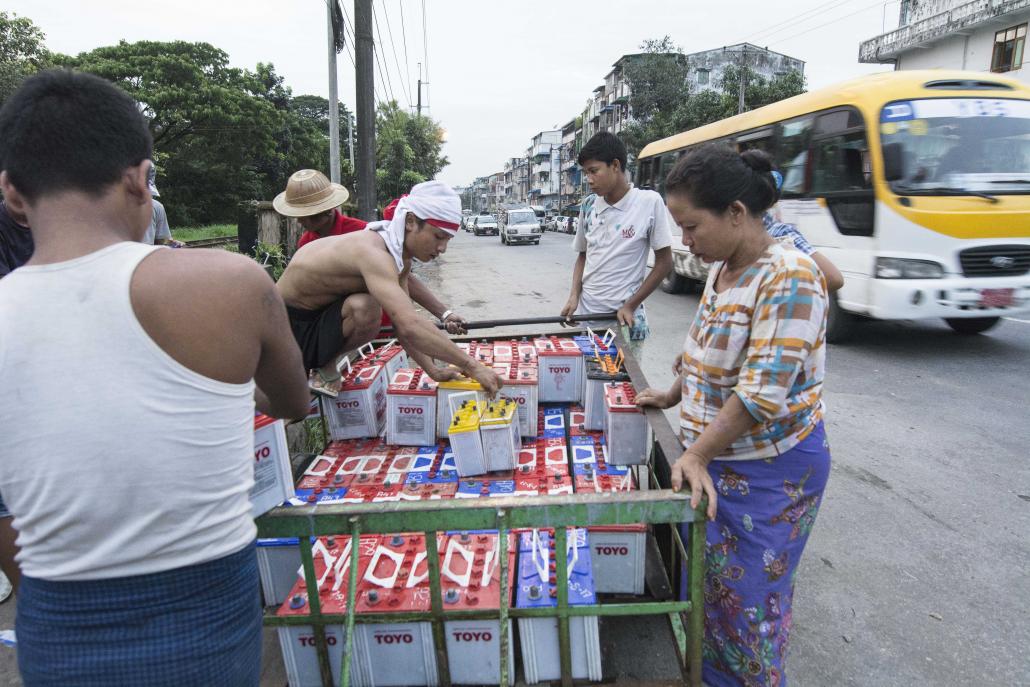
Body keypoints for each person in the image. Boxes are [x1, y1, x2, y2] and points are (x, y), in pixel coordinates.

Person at [0, 69, 310, 686]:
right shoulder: (230, 283)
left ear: (12, 194)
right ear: (141, 181)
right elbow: (294, 401)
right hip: (206, 616)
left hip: (56, 624)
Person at [635, 144, 830, 687]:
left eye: (691, 225)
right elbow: (703, 350)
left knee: (748, 607)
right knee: (711, 589)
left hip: (769, 470)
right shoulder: (724, 269)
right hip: (721, 459)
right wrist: (673, 394)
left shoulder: (789, 275)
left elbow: (762, 392)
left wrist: (696, 451)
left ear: (737, 213)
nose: (684, 240)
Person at [276, 179, 502, 397]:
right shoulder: (374, 253)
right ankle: (322, 366)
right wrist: (472, 366)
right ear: (411, 221)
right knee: (368, 308)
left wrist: (434, 371)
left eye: (448, 240)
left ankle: (322, 364)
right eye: (438, 237)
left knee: (369, 307)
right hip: (283, 326)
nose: (442, 248)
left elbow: (404, 324)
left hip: (314, 319)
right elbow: (410, 325)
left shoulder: (398, 256)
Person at [560, 132, 673, 342]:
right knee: (587, 373)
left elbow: (664, 263)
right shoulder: (588, 205)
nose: (589, 180)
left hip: (626, 321)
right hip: (587, 317)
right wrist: (574, 296)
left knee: (624, 374)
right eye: (586, 173)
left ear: (615, 165)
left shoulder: (649, 202)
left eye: (594, 171)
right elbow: (583, 256)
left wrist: (631, 305)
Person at [273, 169, 367, 250]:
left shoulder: (362, 232)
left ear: (327, 211)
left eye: (305, 215)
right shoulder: (305, 243)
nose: (299, 220)